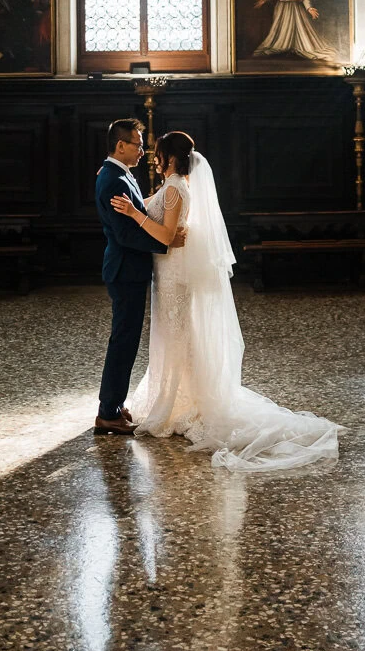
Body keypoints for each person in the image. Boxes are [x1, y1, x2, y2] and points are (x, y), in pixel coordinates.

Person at [111, 132, 341, 473]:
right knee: (174, 335)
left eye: (158, 153)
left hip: (173, 272)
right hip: (167, 272)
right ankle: (176, 396)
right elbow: (169, 229)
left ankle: (180, 401)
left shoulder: (175, 187)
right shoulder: (173, 184)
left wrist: (133, 213)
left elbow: (165, 237)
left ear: (170, 158)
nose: (154, 159)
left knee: (176, 335)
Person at [94, 118, 171, 436]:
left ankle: (114, 404)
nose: (143, 150)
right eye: (138, 145)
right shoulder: (114, 179)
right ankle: (107, 411)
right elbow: (126, 234)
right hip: (126, 269)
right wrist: (165, 242)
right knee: (123, 341)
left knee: (125, 340)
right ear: (121, 145)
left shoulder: (116, 173)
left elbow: (136, 212)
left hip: (127, 268)